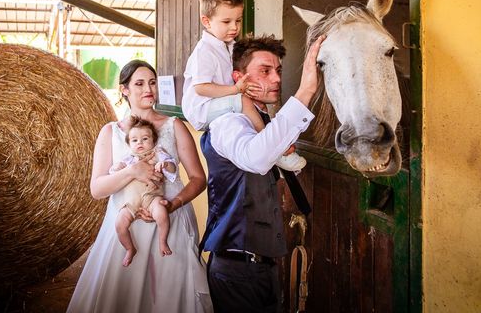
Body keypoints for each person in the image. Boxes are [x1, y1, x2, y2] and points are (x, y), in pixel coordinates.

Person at [67, 60, 213, 313]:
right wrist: (132, 171)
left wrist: (173, 204)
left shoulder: (174, 126)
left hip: (170, 220)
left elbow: (198, 178)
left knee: (170, 295)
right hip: (127, 221)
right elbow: (98, 189)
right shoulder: (110, 132)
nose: (149, 89)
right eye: (139, 83)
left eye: (153, 82)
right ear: (124, 90)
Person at [199, 33, 325, 313]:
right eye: (265, 71)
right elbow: (255, 159)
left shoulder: (264, 123)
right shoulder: (228, 122)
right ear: (238, 78)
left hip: (261, 268)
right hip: (236, 270)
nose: (277, 79)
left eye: (278, 71)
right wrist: (305, 91)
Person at [182, 0, 306, 172]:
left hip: (218, 102)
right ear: (206, 21)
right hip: (201, 109)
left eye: (238, 21)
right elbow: (201, 88)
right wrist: (235, 90)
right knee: (243, 101)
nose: (234, 27)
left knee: (243, 100)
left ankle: (272, 144)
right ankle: (273, 146)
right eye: (226, 22)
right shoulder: (204, 51)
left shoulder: (229, 45)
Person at [109, 115, 177, 266]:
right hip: (131, 201)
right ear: (129, 144)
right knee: (120, 224)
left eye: (145, 138)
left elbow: (172, 167)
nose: (139, 142)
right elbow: (114, 173)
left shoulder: (158, 153)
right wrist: (117, 168)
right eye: (134, 140)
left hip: (152, 197)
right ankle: (129, 248)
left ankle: (162, 241)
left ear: (153, 141)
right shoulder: (129, 159)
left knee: (161, 213)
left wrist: (165, 165)